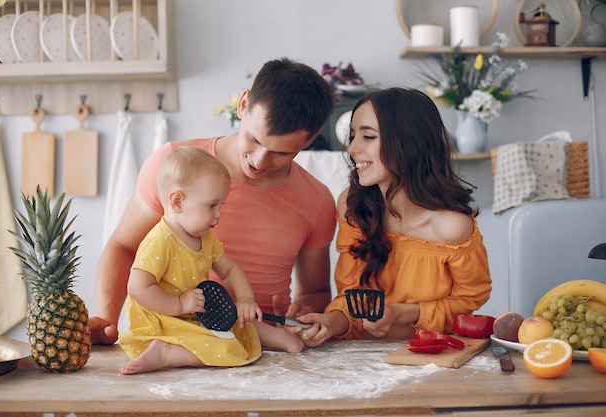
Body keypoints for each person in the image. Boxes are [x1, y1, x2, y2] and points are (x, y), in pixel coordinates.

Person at [92, 57, 336, 345]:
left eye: (282, 153)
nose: (259, 161)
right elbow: (124, 247)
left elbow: (315, 292)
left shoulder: (317, 200)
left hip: (269, 347)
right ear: (243, 104)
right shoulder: (174, 166)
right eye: (255, 140)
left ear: (311, 139)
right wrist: (107, 323)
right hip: (178, 339)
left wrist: (306, 313)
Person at [296, 87, 492, 347]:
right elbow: (351, 298)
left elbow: (468, 303)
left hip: (433, 359)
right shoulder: (352, 206)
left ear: (408, 142)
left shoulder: (451, 227)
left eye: (368, 136)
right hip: (361, 360)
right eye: (352, 136)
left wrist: (402, 313)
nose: (352, 148)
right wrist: (330, 322)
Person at [119, 147, 304, 375]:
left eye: (221, 206)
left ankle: (281, 336)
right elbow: (137, 288)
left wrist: (245, 299)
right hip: (163, 320)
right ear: (177, 202)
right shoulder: (160, 241)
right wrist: (179, 304)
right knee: (226, 347)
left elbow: (230, 270)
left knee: (240, 320)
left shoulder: (204, 238)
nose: (219, 214)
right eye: (212, 206)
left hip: (195, 313)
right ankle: (166, 352)